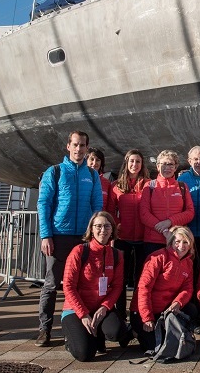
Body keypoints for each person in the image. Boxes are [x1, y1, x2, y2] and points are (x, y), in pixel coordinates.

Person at [36, 130, 103, 347]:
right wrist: (46, 235)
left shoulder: (92, 175)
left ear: (86, 148)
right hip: (59, 236)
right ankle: (44, 329)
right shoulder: (55, 172)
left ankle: (74, 330)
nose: (79, 149)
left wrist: (95, 236)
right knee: (51, 284)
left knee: (81, 285)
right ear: (68, 146)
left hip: (83, 238)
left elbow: (97, 206)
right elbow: (43, 204)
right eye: (75, 144)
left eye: (82, 145)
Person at [61, 211, 130, 361]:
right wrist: (83, 314)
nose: (103, 230)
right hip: (76, 309)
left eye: (107, 226)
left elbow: (117, 286)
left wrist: (105, 307)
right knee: (85, 354)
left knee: (117, 332)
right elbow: (68, 286)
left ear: (112, 230)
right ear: (91, 229)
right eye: (98, 226)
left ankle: (96, 335)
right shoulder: (79, 251)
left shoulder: (117, 255)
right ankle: (71, 338)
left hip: (100, 307)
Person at [129, 226, 198, 351]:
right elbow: (144, 288)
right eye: (177, 241)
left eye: (185, 242)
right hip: (143, 310)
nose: (181, 246)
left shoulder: (188, 263)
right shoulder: (158, 257)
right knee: (155, 346)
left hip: (166, 309)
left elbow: (187, 288)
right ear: (171, 242)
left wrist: (178, 302)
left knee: (191, 310)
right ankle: (133, 331)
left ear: (190, 245)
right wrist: (147, 318)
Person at [107, 149, 150, 317]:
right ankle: (120, 314)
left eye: (138, 161)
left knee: (141, 278)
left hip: (143, 238)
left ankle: (137, 312)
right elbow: (110, 211)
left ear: (142, 164)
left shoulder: (148, 185)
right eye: (132, 161)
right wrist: (117, 224)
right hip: (122, 238)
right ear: (126, 163)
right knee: (121, 278)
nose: (134, 164)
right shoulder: (116, 186)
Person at [139, 150, 194, 260]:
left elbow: (190, 212)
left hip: (177, 241)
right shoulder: (149, 186)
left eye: (170, 164)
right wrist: (164, 230)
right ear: (157, 166)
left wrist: (170, 222)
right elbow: (144, 214)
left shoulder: (182, 187)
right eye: (163, 164)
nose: (167, 168)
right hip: (153, 241)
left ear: (176, 167)